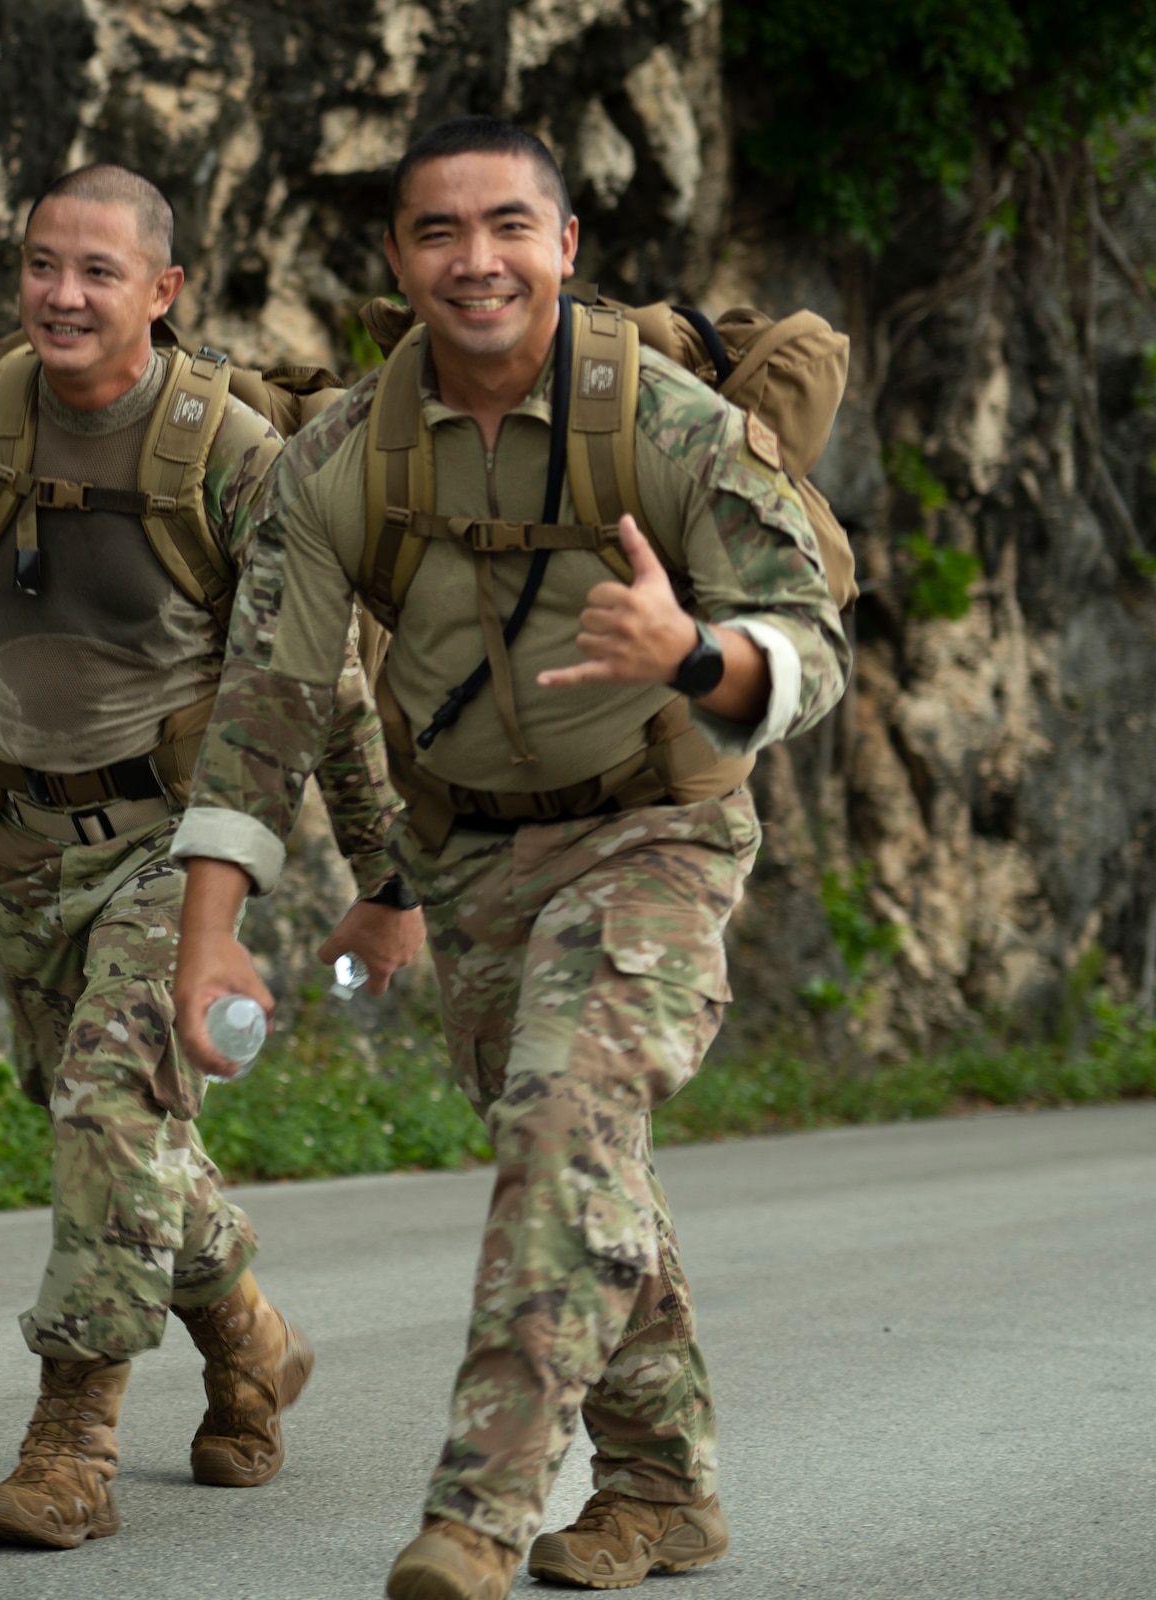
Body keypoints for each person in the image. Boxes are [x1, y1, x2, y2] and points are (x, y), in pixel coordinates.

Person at [169, 118, 849, 1599]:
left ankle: (477, 1512)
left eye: (506, 228)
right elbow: (267, 706)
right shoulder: (344, 454)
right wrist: (208, 927)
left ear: (564, 246)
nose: (474, 261)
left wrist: (696, 651)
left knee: (562, 1117)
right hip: (473, 857)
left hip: (657, 827)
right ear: (400, 260)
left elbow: (813, 644)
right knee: (578, 1149)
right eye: (436, 233)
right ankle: (664, 1491)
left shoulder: (666, 425)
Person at [0, 163, 425, 1551]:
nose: (63, 293)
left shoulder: (228, 452)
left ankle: (71, 1451)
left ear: (162, 293)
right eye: (44, 265)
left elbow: (318, 678)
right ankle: (252, 1340)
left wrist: (386, 879)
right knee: (116, 1135)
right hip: (27, 844)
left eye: (98, 272)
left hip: (185, 849)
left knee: (110, 1117)